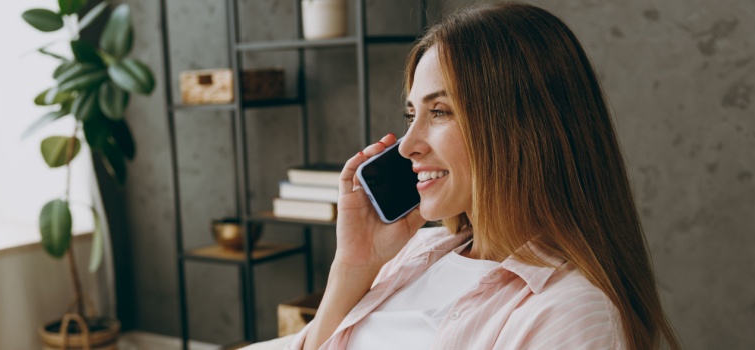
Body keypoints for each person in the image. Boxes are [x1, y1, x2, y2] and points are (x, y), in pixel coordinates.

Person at [244, 2, 682, 349]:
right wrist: (353, 267)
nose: (407, 145)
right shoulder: (420, 251)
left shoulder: (569, 314)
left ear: (524, 128)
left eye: (439, 111)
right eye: (411, 113)